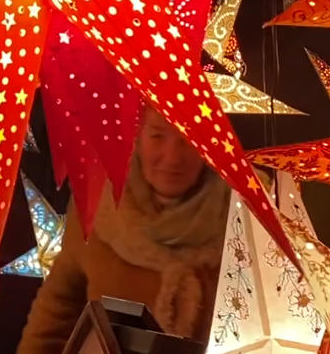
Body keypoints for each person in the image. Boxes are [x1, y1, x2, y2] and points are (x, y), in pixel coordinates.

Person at [16, 108, 231, 354]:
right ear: (138, 136)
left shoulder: (243, 214)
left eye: (187, 139)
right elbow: (57, 312)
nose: (172, 157)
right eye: (157, 136)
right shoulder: (100, 204)